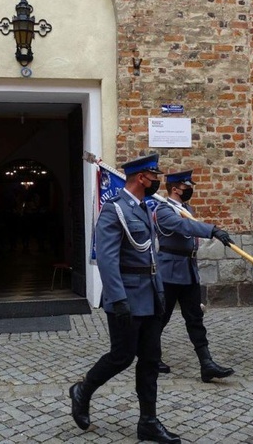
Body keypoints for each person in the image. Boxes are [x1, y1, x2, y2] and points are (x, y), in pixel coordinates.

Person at [69, 153, 180, 444]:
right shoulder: (113, 210)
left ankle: (149, 422)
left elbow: (151, 253)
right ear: (142, 177)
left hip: (151, 296)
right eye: (155, 176)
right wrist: (117, 299)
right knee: (121, 356)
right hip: (127, 297)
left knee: (151, 359)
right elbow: (107, 259)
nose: (158, 181)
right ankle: (83, 390)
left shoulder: (145, 208)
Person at [154, 170, 235, 382]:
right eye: (186, 186)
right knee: (160, 318)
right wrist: (212, 230)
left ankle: (206, 364)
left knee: (195, 319)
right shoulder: (164, 210)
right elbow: (183, 226)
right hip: (169, 273)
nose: (190, 190)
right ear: (174, 189)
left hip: (188, 271)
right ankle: (151, 357)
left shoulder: (185, 208)